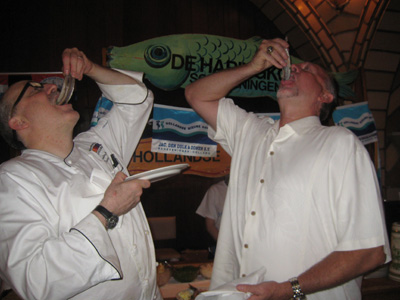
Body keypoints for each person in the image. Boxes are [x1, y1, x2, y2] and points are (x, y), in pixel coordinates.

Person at [185, 38, 391, 300]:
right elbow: (196, 94)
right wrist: (253, 66)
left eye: (306, 70)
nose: (293, 68)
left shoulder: (339, 143)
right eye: (294, 67)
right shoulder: (250, 131)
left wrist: (288, 289)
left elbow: (368, 251)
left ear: (325, 96)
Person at [0, 48, 162, 299]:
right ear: (19, 122)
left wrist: (90, 68)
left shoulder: (96, 144)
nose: (51, 87)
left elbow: (138, 98)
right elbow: (36, 281)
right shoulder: (12, 179)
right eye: (33, 89)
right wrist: (106, 211)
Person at [196, 175, 229, 241]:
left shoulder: (249, 189)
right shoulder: (215, 190)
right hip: (222, 244)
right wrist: (223, 245)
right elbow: (210, 225)